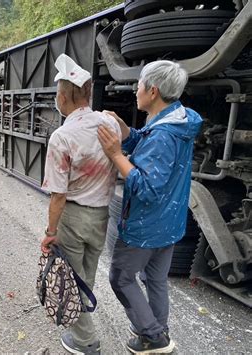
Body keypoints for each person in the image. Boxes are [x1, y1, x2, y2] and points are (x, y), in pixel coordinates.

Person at [97, 60, 203, 354]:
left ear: (152, 90)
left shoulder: (163, 135)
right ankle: (157, 326)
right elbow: (148, 145)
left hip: (146, 226)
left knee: (120, 277)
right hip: (169, 223)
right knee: (154, 278)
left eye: (139, 84)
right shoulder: (177, 121)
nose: (136, 90)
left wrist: (116, 154)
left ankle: (154, 337)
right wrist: (127, 132)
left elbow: (146, 188)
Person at [41, 54, 121, 355]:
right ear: (88, 93)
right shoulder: (108, 124)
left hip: (73, 217)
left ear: (63, 97)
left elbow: (58, 195)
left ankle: (86, 342)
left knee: (70, 280)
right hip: (101, 214)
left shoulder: (62, 136)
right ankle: (83, 316)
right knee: (86, 273)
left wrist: (50, 231)